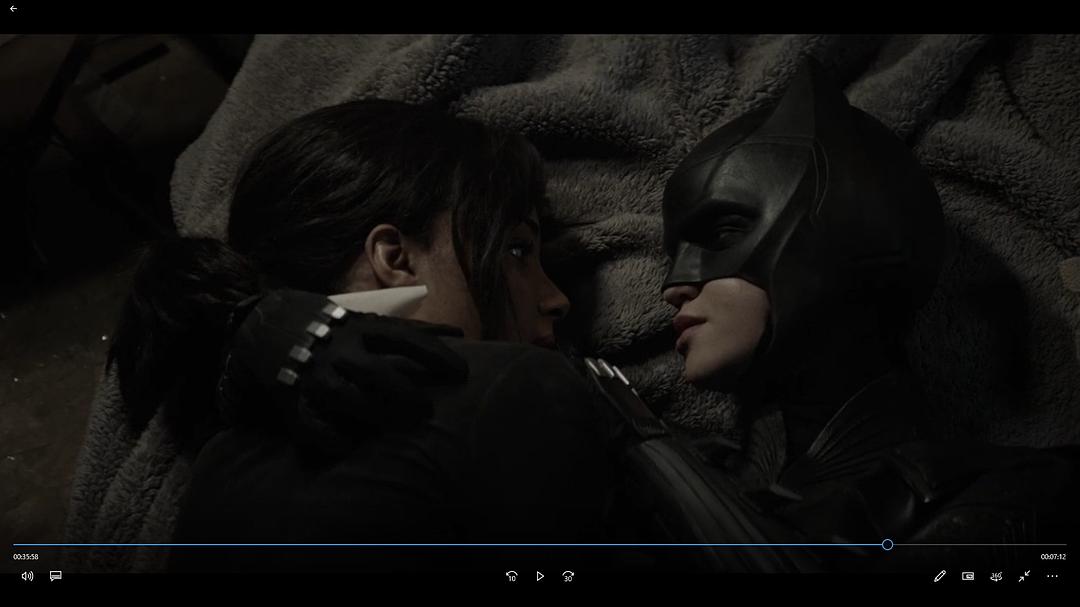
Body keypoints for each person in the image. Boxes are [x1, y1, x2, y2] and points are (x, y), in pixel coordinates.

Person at [107, 99, 616, 573]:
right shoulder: (516, 389)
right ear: (394, 258)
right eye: (517, 249)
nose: (557, 298)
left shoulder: (216, 469)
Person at [657, 58, 1079, 572]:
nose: (674, 286)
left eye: (723, 233)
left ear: (841, 232)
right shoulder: (677, 472)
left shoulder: (1026, 492)